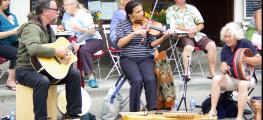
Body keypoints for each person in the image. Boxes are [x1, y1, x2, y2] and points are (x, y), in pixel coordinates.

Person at [16, 0, 82, 119]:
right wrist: (57, 51)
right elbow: (33, 49)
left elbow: (53, 53)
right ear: (45, 11)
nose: (58, 12)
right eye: (56, 10)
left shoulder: (48, 28)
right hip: (25, 70)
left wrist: (68, 53)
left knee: (74, 74)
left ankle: (73, 115)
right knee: (42, 81)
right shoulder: (32, 28)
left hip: (44, 69)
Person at [115, 0, 172, 112]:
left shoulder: (147, 24)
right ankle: (134, 113)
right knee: (137, 80)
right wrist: (134, 33)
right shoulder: (121, 24)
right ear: (130, 14)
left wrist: (163, 38)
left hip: (145, 58)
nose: (142, 14)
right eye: (138, 12)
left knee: (150, 79)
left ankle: (152, 110)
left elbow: (151, 44)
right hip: (128, 59)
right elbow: (120, 44)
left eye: (141, 10)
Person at [208, 22, 261, 120]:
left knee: (242, 84)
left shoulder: (244, 43)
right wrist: (223, 66)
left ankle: (239, 116)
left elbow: (259, 59)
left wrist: (245, 59)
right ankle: (212, 111)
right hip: (231, 78)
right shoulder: (225, 48)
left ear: (236, 36)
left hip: (247, 78)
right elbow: (223, 64)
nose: (227, 39)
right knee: (216, 79)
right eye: (225, 37)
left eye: (229, 37)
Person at [166, 0, 217, 80]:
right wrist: (187, 30)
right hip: (181, 35)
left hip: (196, 34)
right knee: (189, 47)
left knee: (212, 45)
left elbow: (201, 24)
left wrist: (194, 30)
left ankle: (212, 72)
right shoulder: (170, 10)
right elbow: (172, 25)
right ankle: (186, 73)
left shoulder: (192, 8)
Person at [61, 0, 103, 88]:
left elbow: (93, 31)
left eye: (66, 5)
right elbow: (65, 27)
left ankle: (91, 77)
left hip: (92, 39)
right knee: (66, 49)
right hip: (77, 40)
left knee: (84, 50)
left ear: (74, 5)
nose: (64, 7)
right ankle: (76, 76)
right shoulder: (66, 14)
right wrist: (62, 27)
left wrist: (80, 29)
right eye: (64, 5)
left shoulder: (83, 14)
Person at [0, 0, 18, 91]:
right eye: (5, 0)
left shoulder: (10, 15)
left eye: (9, 0)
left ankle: (22, 77)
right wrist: (13, 32)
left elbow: (17, 28)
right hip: (1, 44)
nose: (8, 2)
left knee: (27, 49)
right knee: (17, 54)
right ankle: (10, 80)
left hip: (12, 42)